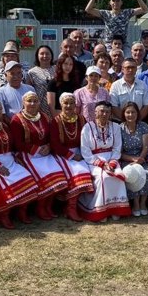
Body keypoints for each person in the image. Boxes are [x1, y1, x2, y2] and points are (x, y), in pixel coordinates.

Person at [0, 98, 39, 228]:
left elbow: (13, 144)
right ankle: (3, 215)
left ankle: (22, 211)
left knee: (27, 176)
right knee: (3, 182)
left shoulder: (4, 125)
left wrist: (16, 157)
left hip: (9, 160)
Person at [10, 91, 69, 221]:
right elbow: (17, 143)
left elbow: (51, 136)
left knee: (57, 172)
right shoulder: (17, 119)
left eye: (35, 101)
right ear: (23, 102)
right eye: (29, 101)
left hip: (45, 153)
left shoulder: (44, 116)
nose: (32, 103)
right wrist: (36, 149)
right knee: (44, 175)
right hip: (27, 154)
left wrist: (48, 146)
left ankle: (47, 206)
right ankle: (40, 208)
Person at [79, 101, 131, 221]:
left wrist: (112, 162)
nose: (104, 114)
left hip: (112, 158)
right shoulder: (87, 127)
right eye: (101, 111)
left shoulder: (116, 127)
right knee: (103, 177)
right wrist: (101, 164)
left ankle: (116, 209)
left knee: (118, 175)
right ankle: (101, 210)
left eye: (107, 112)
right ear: (95, 112)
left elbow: (118, 147)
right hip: (94, 160)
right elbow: (85, 150)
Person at [50, 93, 95, 222]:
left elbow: (87, 139)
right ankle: (70, 208)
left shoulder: (81, 119)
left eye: (71, 103)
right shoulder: (56, 121)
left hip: (81, 153)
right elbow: (54, 144)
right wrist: (71, 155)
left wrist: (84, 154)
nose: (69, 106)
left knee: (90, 171)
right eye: (66, 103)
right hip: (63, 154)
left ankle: (81, 205)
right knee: (78, 173)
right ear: (61, 105)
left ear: (76, 105)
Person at [118, 101, 148, 217]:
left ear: (137, 114)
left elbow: (146, 147)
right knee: (131, 174)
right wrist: (132, 159)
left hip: (141, 158)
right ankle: (135, 203)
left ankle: (143, 203)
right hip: (126, 160)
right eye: (128, 112)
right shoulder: (119, 128)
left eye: (133, 112)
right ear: (124, 114)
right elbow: (119, 152)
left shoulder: (143, 126)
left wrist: (140, 159)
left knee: (146, 172)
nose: (130, 115)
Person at [110, 57, 148, 123]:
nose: (130, 70)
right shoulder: (115, 85)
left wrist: (136, 120)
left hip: (138, 122)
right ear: (122, 69)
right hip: (120, 122)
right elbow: (114, 106)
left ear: (136, 69)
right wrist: (126, 120)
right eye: (128, 67)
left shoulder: (143, 85)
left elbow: (147, 106)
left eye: (133, 67)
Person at [25, 45, 55, 117]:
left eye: (47, 54)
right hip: (39, 108)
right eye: (42, 54)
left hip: (56, 106)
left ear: (51, 55)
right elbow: (29, 92)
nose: (45, 56)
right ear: (37, 56)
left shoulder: (57, 69)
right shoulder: (31, 72)